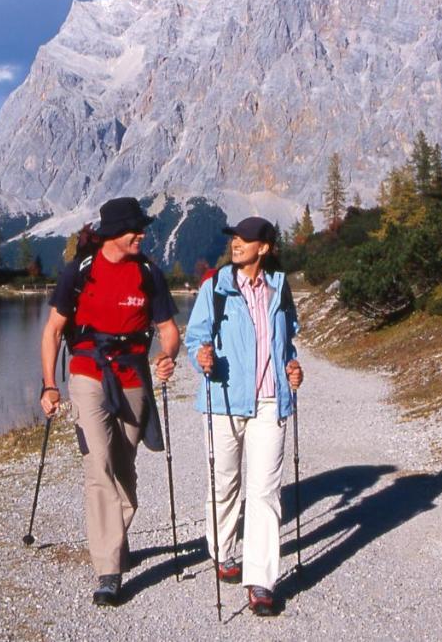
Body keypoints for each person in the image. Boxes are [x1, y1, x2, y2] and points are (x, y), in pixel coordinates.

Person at [40, 196, 180, 607]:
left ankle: (114, 540)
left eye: (142, 228)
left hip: (133, 375)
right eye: (135, 229)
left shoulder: (150, 273)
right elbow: (52, 332)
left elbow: (169, 330)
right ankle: (109, 569)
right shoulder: (79, 273)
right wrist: (50, 385)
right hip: (87, 374)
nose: (142, 234)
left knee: (124, 469)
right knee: (97, 465)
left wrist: (167, 356)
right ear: (114, 234)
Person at [185, 216, 304, 617]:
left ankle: (261, 582)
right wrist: (201, 356)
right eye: (234, 238)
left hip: (270, 401)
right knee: (225, 484)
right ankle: (222, 552)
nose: (236, 243)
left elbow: (287, 342)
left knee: (265, 492)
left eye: (245, 239)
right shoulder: (214, 288)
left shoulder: (279, 290)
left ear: (264, 248)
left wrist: (292, 367)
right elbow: (195, 336)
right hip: (223, 399)